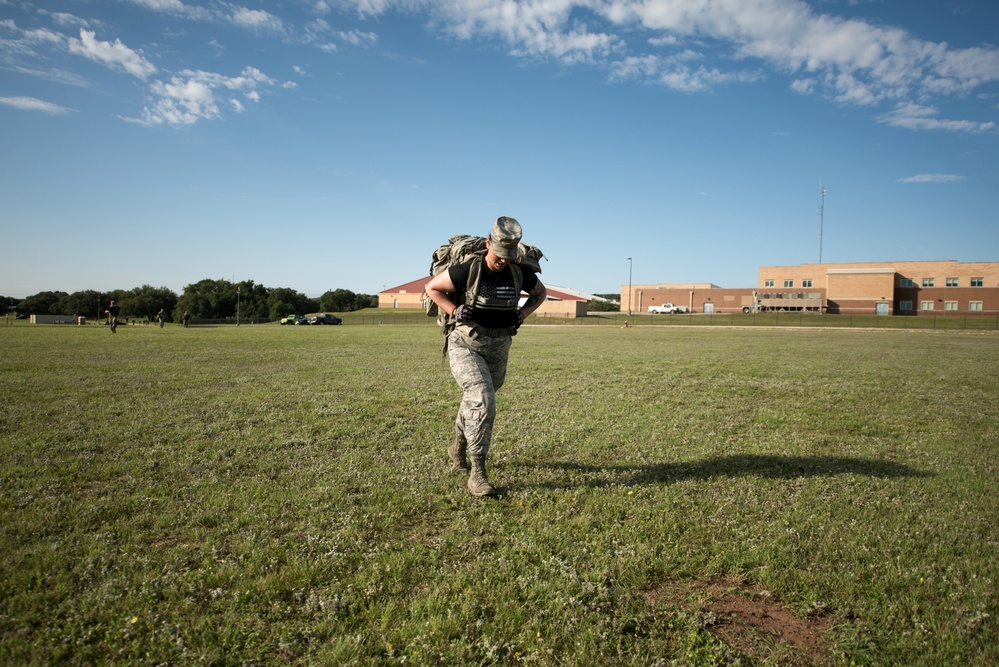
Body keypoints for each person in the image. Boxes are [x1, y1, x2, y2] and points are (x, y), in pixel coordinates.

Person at [424, 216, 547, 497]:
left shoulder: (518, 272)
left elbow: (540, 294)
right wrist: (454, 310)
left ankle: (458, 447)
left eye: (508, 256)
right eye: (499, 254)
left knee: (476, 399)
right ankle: (478, 473)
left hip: (500, 345)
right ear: (489, 243)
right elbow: (433, 288)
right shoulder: (469, 268)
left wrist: (522, 314)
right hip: (466, 342)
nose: (502, 261)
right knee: (483, 398)